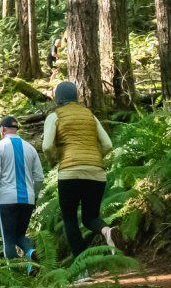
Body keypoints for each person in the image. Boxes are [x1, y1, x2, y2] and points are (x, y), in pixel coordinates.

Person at [40, 81, 116, 259]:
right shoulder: (90, 115)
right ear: (76, 97)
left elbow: (47, 147)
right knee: (91, 218)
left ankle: (82, 269)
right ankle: (107, 231)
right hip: (96, 172)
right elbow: (108, 144)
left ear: (57, 98)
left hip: (70, 173)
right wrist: (95, 159)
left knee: (70, 219)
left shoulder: (55, 116)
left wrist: (53, 162)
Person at [0, 116, 44, 262]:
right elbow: (39, 177)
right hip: (28, 200)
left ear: (2, 129)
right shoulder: (30, 148)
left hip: (6, 200)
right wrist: (35, 195)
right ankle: (30, 254)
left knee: (9, 240)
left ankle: (15, 275)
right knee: (20, 236)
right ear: (16, 129)